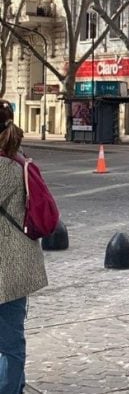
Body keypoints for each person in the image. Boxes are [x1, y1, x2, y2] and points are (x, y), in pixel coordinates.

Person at [0, 99, 47, 393]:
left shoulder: (4, 168)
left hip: (5, 266)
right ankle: (13, 385)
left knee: (8, 342)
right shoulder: (19, 161)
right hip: (17, 265)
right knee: (11, 336)